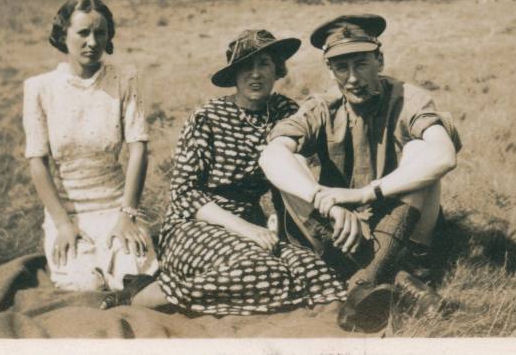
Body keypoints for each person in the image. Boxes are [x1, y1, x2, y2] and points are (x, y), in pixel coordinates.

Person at [103, 29, 347, 314]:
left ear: (278, 69)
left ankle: (202, 290)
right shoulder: (207, 118)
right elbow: (185, 195)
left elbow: (304, 164)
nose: (255, 74)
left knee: (318, 275)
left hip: (253, 228)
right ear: (234, 74)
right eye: (246, 66)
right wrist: (247, 229)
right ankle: (146, 294)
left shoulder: (284, 111)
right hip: (194, 226)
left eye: (264, 64)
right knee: (264, 272)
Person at [259, 14, 462, 332]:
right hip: (340, 231)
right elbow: (271, 156)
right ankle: (401, 282)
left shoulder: (407, 97)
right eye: (342, 67)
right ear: (331, 71)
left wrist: (368, 192)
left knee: (420, 151)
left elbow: (443, 154)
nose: (352, 78)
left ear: (379, 60)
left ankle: (363, 284)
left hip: (401, 225)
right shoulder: (322, 107)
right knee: (289, 162)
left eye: (361, 64)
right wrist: (327, 203)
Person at [23, 0, 158, 292]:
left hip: (118, 208)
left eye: (100, 32)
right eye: (83, 33)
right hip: (69, 213)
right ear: (63, 35)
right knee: (87, 287)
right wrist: (62, 224)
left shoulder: (125, 79)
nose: (92, 42)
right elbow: (37, 163)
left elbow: (139, 149)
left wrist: (128, 216)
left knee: (133, 282)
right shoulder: (39, 89)